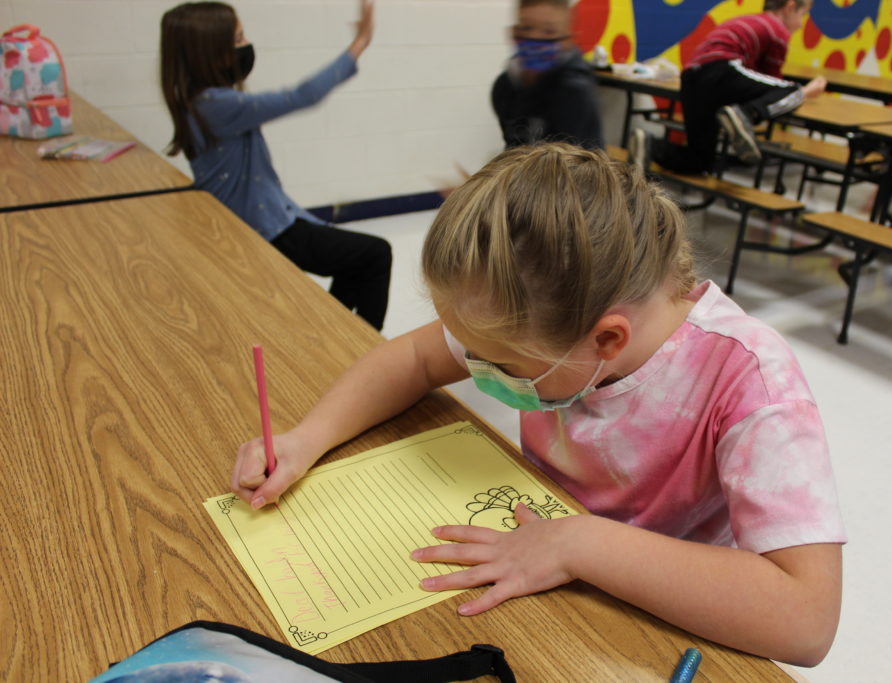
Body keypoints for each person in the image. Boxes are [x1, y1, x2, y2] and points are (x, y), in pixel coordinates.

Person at [231, 143, 845, 666]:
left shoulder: (751, 382)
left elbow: (806, 620)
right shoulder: (552, 322)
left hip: (660, 621)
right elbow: (414, 360)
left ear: (606, 340)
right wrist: (306, 439)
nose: (479, 371)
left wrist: (579, 544)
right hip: (537, 561)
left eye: (500, 365)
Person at [160, 0, 392, 331]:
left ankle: (339, 336)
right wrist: (358, 45)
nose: (247, 45)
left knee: (355, 260)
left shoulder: (197, 101)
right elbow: (302, 95)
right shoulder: (216, 105)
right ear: (210, 52)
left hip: (270, 217)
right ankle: (365, 349)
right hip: (264, 230)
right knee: (374, 254)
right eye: (238, 39)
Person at [632, 0, 828, 175]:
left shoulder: (749, 20)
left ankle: (651, 145)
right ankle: (745, 114)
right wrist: (807, 92)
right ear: (790, 6)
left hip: (692, 77)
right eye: (802, 15)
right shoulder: (777, 30)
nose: (801, 24)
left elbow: (755, 80)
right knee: (792, 91)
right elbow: (771, 80)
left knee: (700, 159)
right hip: (722, 69)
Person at [491, 0, 603, 150]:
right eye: (526, 27)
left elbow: (571, 164)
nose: (535, 37)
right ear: (513, 32)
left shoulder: (574, 91)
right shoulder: (504, 87)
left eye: (549, 31)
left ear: (567, 41)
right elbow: (512, 148)